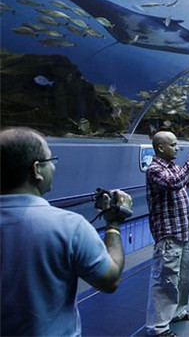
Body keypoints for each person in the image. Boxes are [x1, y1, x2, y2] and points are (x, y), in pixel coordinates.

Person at [0, 127, 132, 336]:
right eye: (50, 160)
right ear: (37, 170)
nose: (53, 166)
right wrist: (113, 224)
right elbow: (109, 280)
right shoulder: (69, 226)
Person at [145, 131, 189, 337]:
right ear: (161, 148)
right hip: (169, 236)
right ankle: (158, 327)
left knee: (184, 279)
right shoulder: (154, 169)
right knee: (165, 282)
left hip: (183, 233)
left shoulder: (173, 167)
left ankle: (178, 312)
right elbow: (175, 183)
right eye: (173, 145)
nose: (177, 148)